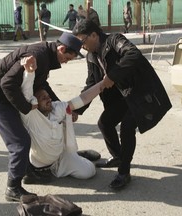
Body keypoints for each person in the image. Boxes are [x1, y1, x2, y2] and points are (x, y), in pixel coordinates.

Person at [0, 32, 83, 202]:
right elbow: (6, 83)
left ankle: (28, 172)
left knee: (25, 134)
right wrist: (27, 107)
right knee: (19, 142)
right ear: (62, 49)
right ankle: (12, 188)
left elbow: (41, 83)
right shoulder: (37, 56)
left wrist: (63, 108)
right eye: (67, 58)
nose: (66, 62)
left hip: (9, 96)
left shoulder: (47, 56)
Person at [72, 19, 172, 190]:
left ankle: (124, 172)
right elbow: (92, 84)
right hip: (121, 98)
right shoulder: (91, 56)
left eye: (83, 41)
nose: (82, 46)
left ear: (94, 35)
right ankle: (119, 156)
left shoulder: (114, 40)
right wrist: (77, 110)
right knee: (105, 123)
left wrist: (112, 76)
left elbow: (133, 54)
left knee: (127, 127)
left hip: (139, 94)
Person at [19, 61, 103, 183]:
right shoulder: (31, 116)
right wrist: (29, 72)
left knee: (89, 171)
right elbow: (26, 93)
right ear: (35, 103)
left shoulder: (56, 108)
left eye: (48, 96)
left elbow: (83, 99)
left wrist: (103, 84)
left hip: (61, 156)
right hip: (41, 163)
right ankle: (75, 156)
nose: (48, 99)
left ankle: (76, 155)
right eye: (43, 98)